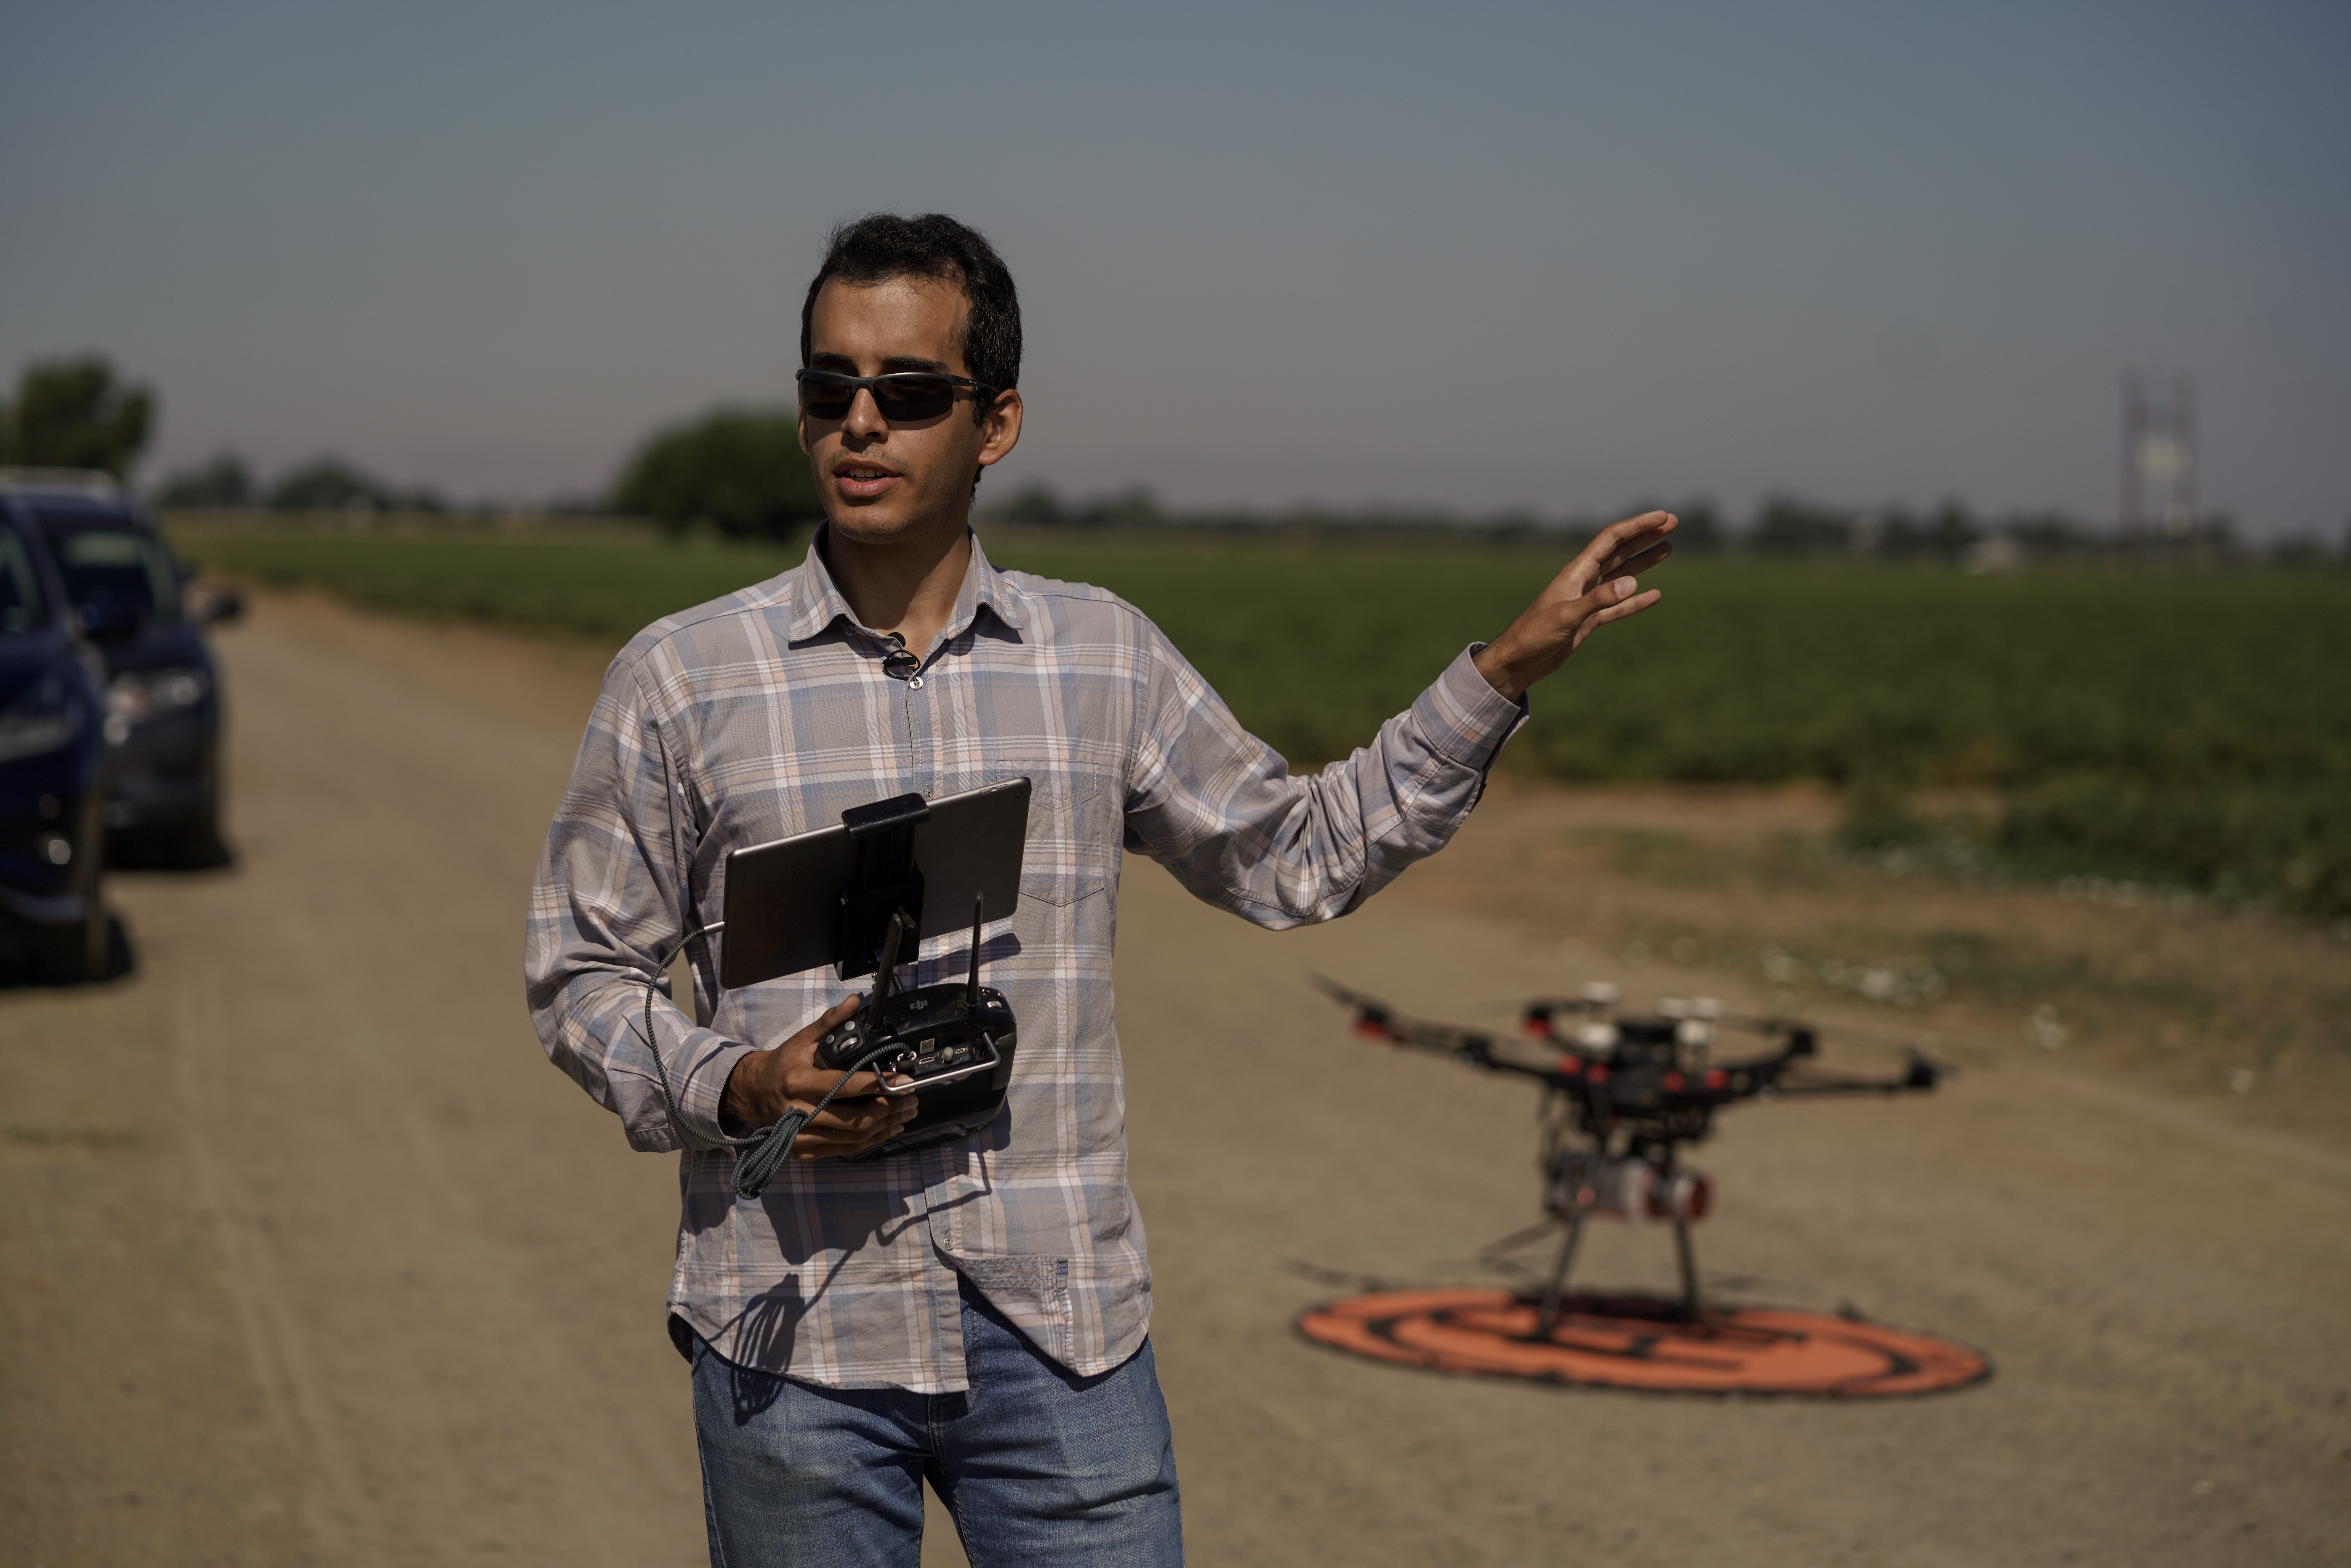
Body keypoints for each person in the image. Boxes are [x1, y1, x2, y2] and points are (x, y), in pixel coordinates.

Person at [527, 212, 1675, 1567]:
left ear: (994, 421)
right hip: (791, 1332)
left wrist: (1498, 678)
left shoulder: (1100, 660)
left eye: (906, 393)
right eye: (827, 389)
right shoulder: (682, 679)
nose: (860, 424)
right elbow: (583, 980)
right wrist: (742, 1085)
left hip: (1058, 1334)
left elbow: (1294, 854)